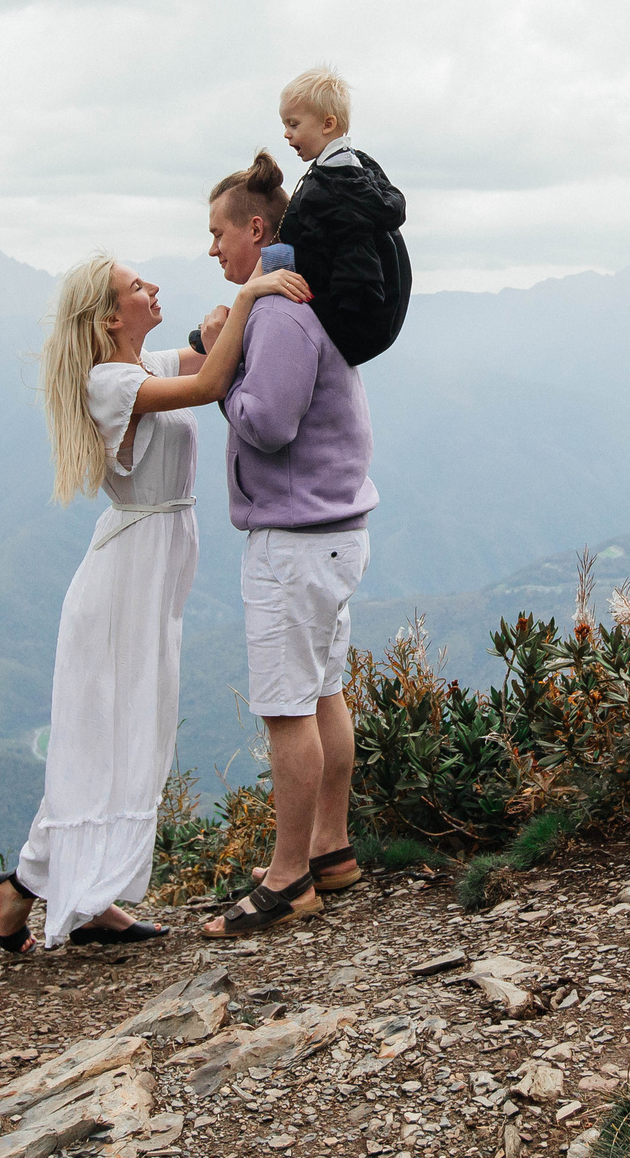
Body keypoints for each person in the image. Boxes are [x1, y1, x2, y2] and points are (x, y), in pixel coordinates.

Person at [0, 250, 309, 954]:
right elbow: (210, 378)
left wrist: (221, 320)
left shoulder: (141, 364)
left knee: (132, 737)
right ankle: (26, 888)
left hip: (153, 566)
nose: (152, 287)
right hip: (125, 576)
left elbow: (193, 354)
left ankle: (78, 896)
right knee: (105, 739)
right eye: (136, 286)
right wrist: (251, 294)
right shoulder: (109, 381)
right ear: (109, 316)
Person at [193, 152, 378, 937]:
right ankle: (332, 850)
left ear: (257, 230)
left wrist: (218, 372)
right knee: (326, 689)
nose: (213, 250)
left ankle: (288, 875)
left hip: (295, 541)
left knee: (285, 708)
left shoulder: (279, 315)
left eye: (218, 233)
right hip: (336, 532)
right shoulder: (301, 308)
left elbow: (265, 423)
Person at [272, 65, 411, 367]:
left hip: (352, 323)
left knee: (267, 311)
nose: (286, 133)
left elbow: (352, 263)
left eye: (293, 124)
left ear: (327, 124)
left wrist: (268, 275)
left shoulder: (334, 188)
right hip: (378, 323)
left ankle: (221, 343)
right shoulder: (361, 169)